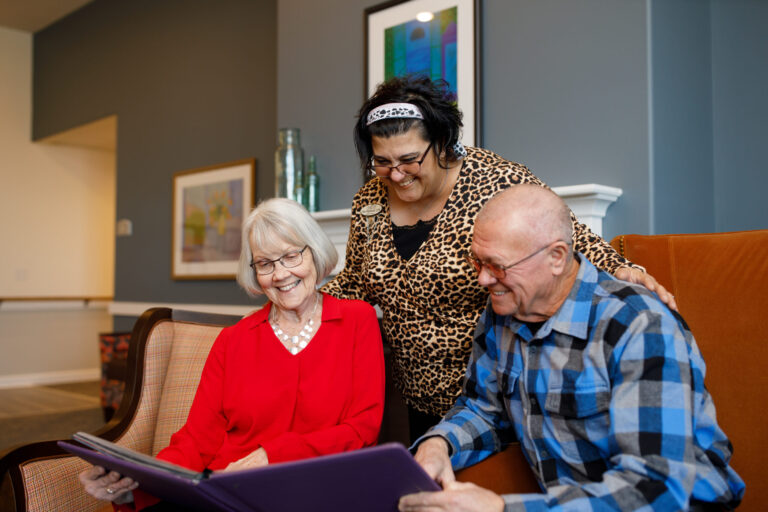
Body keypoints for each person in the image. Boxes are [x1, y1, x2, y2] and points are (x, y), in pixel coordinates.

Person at [323, 74, 676, 442]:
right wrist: (306, 306)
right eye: (382, 162)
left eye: (409, 159)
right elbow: (357, 280)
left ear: (441, 141)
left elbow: (568, 234)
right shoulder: (369, 200)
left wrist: (622, 268)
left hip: (488, 396)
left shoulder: (494, 180)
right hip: (414, 394)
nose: (395, 174)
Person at [400, 184, 744, 511]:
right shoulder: (504, 310)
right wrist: (439, 444)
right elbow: (483, 408)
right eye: (478, 261)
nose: (483, 279)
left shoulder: (638, 325)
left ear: (557, 257)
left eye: (498, 266)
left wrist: (502, 508)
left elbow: (655, 488)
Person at [79, 198, 385, 510]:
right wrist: (138, 482)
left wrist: (272, 456)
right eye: (265, 263)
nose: (280, 274)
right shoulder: (234, 340)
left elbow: (363, 428)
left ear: (314, 253)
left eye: (291, 256)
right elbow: (197, 440)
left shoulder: (356, 320)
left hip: (320, 490)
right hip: (231, 489)